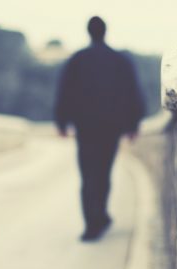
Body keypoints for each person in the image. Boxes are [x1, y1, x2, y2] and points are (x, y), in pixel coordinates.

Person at [54, 16, 144, 241]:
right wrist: (133, 125)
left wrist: (62, 122)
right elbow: (132, 93)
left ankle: (91, 222)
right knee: (104, 172)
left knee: (88, 175)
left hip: (85, 127)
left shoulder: (77, 60)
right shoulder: (120, 61)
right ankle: (100, 214)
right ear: (105, 31)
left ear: (88, 32)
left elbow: (64, 92)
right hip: (111, 128)